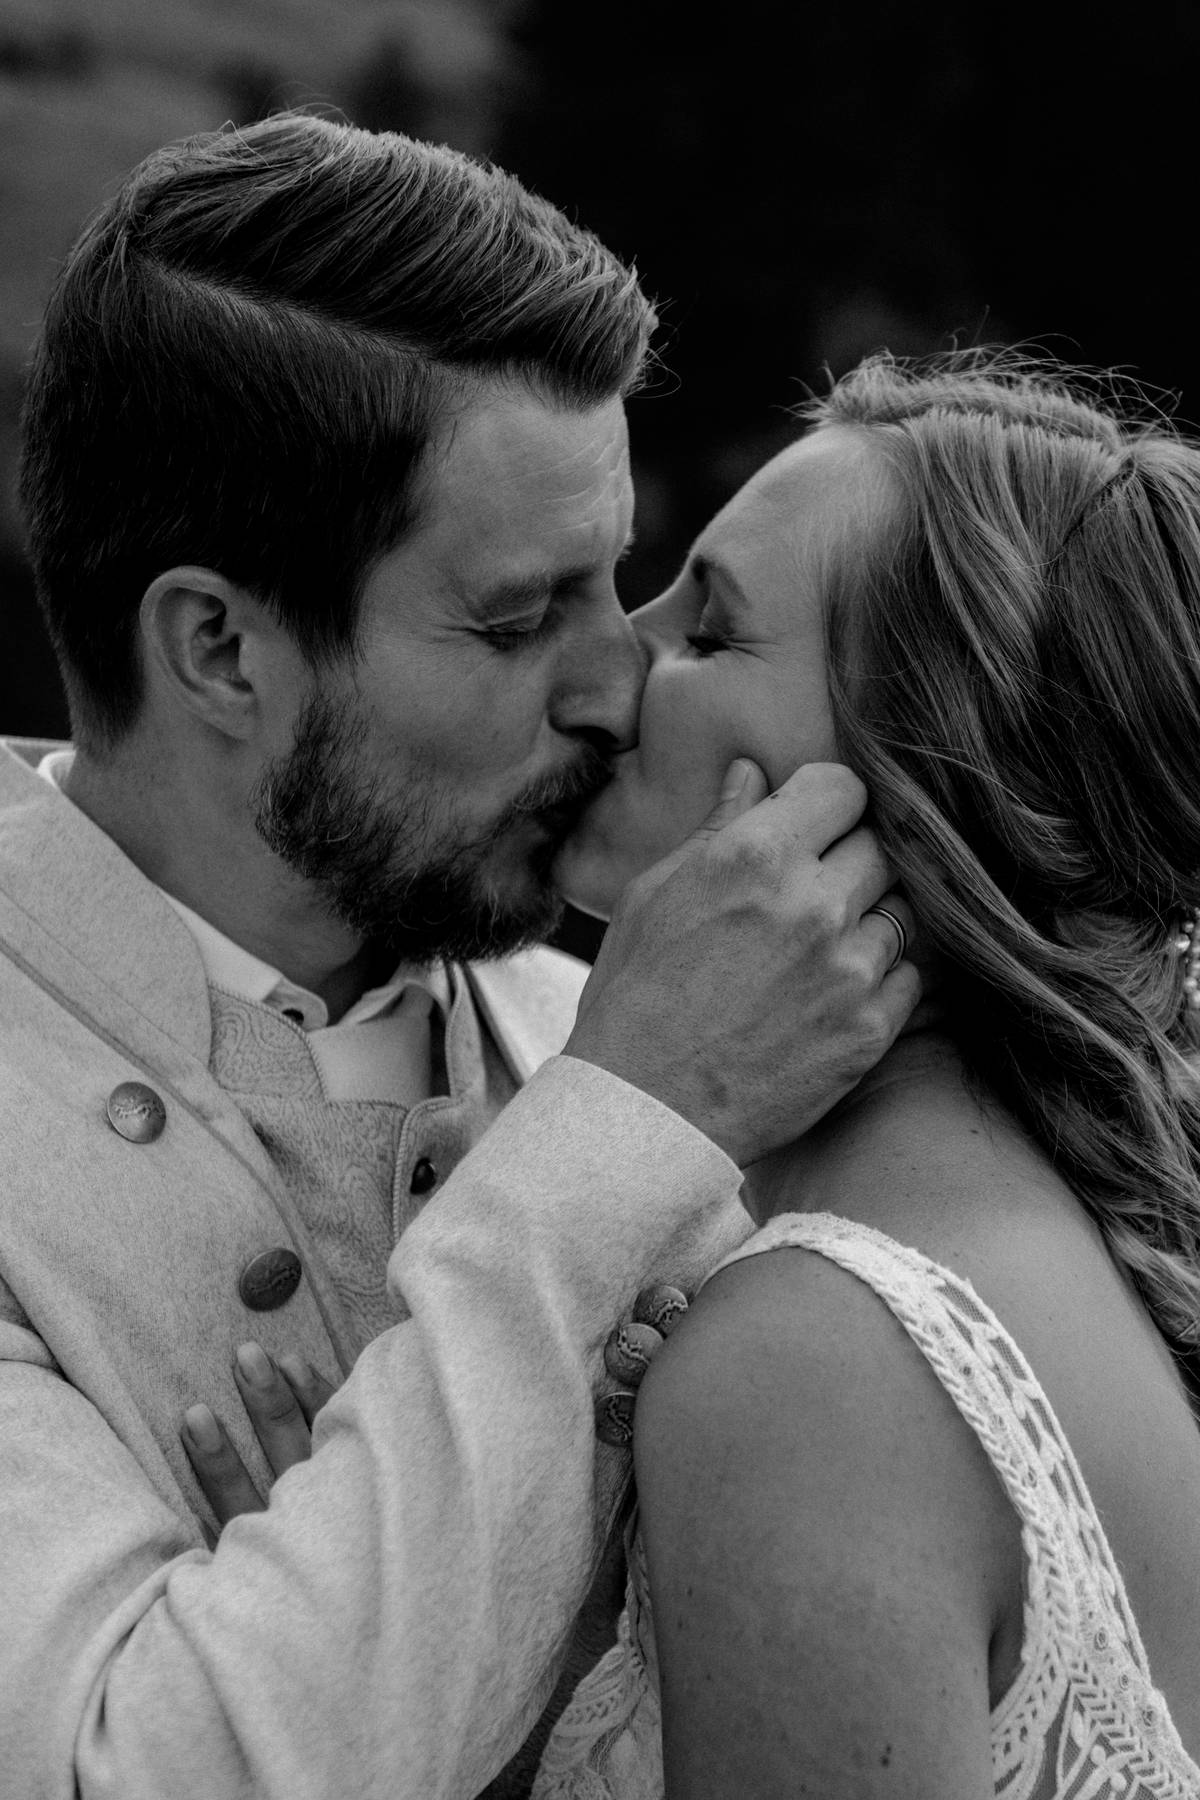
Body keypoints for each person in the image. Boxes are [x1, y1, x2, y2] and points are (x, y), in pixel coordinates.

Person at [0, 112, 917, 1799]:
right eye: (512, 618)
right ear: (218, 649)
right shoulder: (658, 1086)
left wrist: (374, 1633)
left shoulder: (692, 1046)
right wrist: (621, 1132)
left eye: (616, 580)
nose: (618, 685)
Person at [528, 351, 1200, 1797]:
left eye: (709, 628)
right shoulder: (1049, 1257)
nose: (612, 664)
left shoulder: (818, 1358)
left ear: (918, 778)